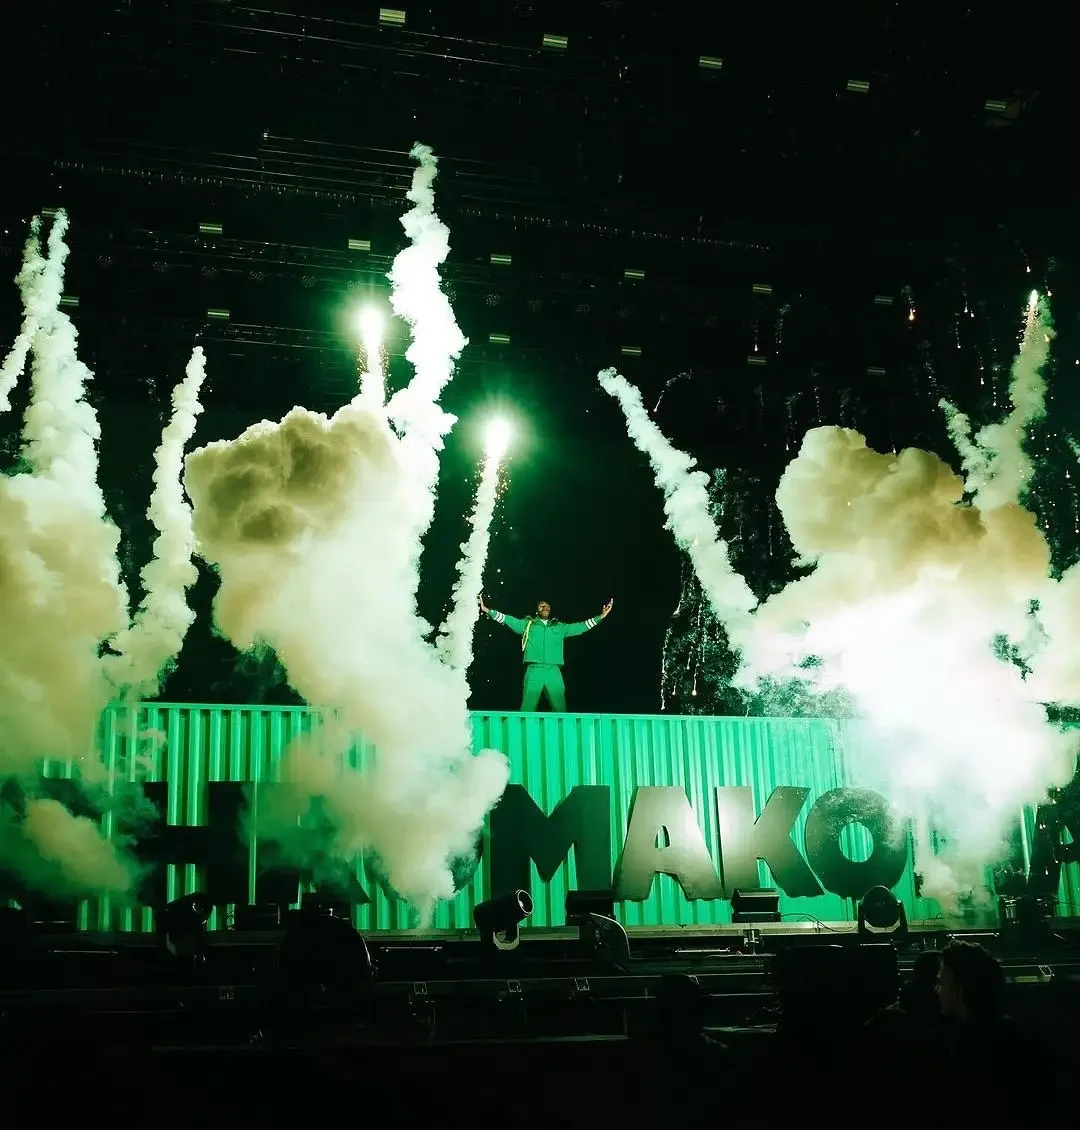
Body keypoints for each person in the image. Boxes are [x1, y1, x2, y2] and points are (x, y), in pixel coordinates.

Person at [479, 595, 613, 712]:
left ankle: (563, 738)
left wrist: (600, 616)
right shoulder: (528, 625)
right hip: (534, 670)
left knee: (560, 708)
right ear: (537, 610)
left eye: (547, 606)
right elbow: (507, 619)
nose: (545, 607)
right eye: (541, 605)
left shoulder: (559, 627)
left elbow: (581, 627)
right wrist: (487, 610)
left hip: (553, 670)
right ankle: (522, 738)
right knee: (527, 708)